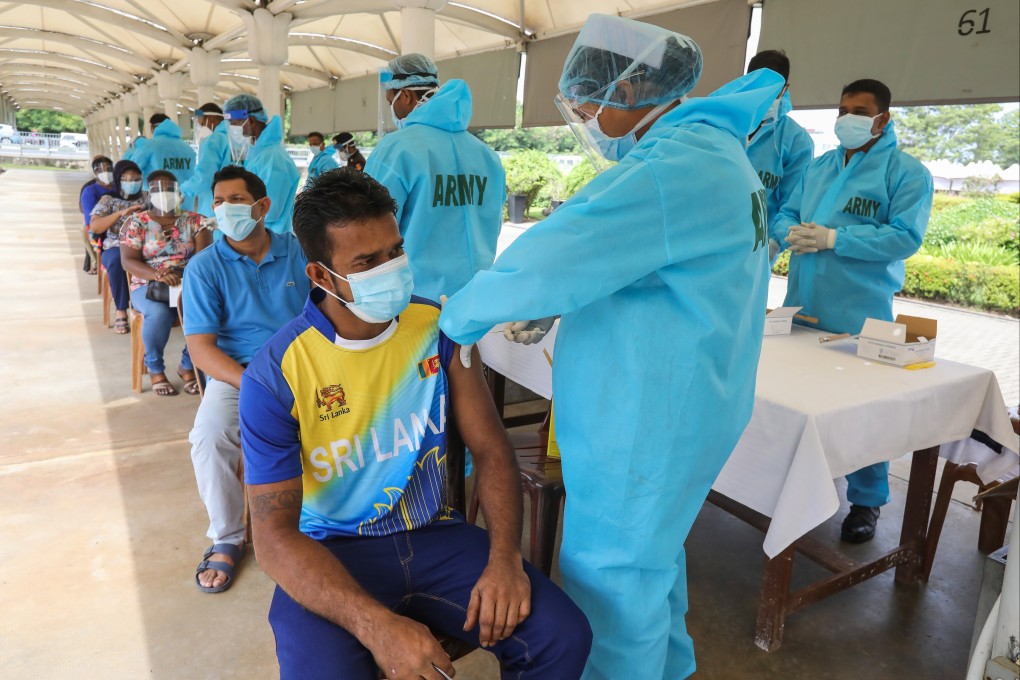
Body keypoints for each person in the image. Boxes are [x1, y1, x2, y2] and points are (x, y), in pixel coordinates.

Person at [439, 14, 785, 679]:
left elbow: (555, 253)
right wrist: (553, 299)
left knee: (613, 585)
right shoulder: (718, 151)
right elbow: (640, 260)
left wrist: (457, 316)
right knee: (655, 563)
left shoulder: (670, 169)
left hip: (645, 418)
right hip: (692, 404)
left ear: (634, 90)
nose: (587, 116)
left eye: (591, 100)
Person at [238, 168, 592, 679]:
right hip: (335, 552)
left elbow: (492, 449)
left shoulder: (438, 329)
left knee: (562, 636)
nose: (392, 270)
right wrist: (376, 625)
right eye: (367, 262)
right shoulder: (278, 374)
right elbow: (273, 538)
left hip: (436, 537)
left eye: (395, 251)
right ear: (320, 275)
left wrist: (504, 558)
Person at [771, 78, 934, 543]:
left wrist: (835, 239)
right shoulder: (821, 166)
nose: (847, 119)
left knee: (864, 413)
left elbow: (905, 237)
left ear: (883, 117)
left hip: (860, 314)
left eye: (859, 110)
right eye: (843, 109)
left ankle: (866, 502)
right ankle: (797, 485)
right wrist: (791, 232)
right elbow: (786, 211)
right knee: (800, 401)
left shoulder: (906, 173)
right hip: (803, 308)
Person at [183, 166, 309, 593]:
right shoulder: (205, 268)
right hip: (239, 376)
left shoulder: (299, 253)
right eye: (218, 202)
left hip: (305, 366)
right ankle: (227, 536)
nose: (225, 209)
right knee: (210, 436)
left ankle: (332, 520)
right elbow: (201, 348)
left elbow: (331, 310)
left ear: (262, 206)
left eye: (235, 200)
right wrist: (253, 383)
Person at [364, 53, 506, 302]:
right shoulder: (487, 156)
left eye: (391, 100)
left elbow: (368, 228)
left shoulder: (396, 149)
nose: (393, 110)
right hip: (474, 298)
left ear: (405, 95)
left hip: (415, 299)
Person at [120, 170, 213, 395]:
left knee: (208, 311)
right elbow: (128, 261)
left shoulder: (196, 221)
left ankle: (187, 366)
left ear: (178, 191)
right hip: (148, 283)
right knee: (159, 313)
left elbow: (204, 259)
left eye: (169, 188)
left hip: (188, 282)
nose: (164, 194)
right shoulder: (136, 222)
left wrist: (182, 276)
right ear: (148, 193)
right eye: (157, 189)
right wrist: (158, 275)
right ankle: (155, 368)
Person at [743, 50, 814, 261]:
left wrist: (774, 243)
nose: (763, 94)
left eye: (772, 88)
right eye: (757, 85)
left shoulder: (796, 141)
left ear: (785, 89)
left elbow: (792, 204)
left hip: (756, 250)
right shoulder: (727, 123)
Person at [223, 94, 300, 234]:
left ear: (251, 121)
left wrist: (233, 214)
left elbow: (271, 210)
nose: (233, 128)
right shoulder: (258, 154)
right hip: (258, 236)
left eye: (235, 123)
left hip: (272, 240)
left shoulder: (273, 158)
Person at [90, 160, 147, 334]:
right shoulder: (108, 200)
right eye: (127, 179)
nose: (132, 182)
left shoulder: (147, 198)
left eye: (136, 178)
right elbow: (96, 226)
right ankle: (121, 309)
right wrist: (120, 214)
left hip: (144, 246)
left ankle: (153, 306)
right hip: (116, 246)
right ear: (118, 179)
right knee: (116, 260)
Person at [181, 103, 230, 218]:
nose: (201, 128)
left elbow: (205, 177)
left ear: (211, 120)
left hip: (214, 208)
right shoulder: (235, 139)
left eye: (202, 123)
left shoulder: (212, 141)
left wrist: (181, 190)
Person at [132, 114, 197, 188]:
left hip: (157, 195)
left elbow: (131, 168)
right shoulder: (188, 149)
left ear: (152, 127)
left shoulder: (149, 145)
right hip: (186, 198)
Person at [79, 155, 115, 274]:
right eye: (102, 170)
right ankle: (96, 262)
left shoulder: (119, 187)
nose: (106, 172)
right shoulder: (90, 190)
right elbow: (90, 220)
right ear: (96, 171)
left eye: (109, 169)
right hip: (103, 231)